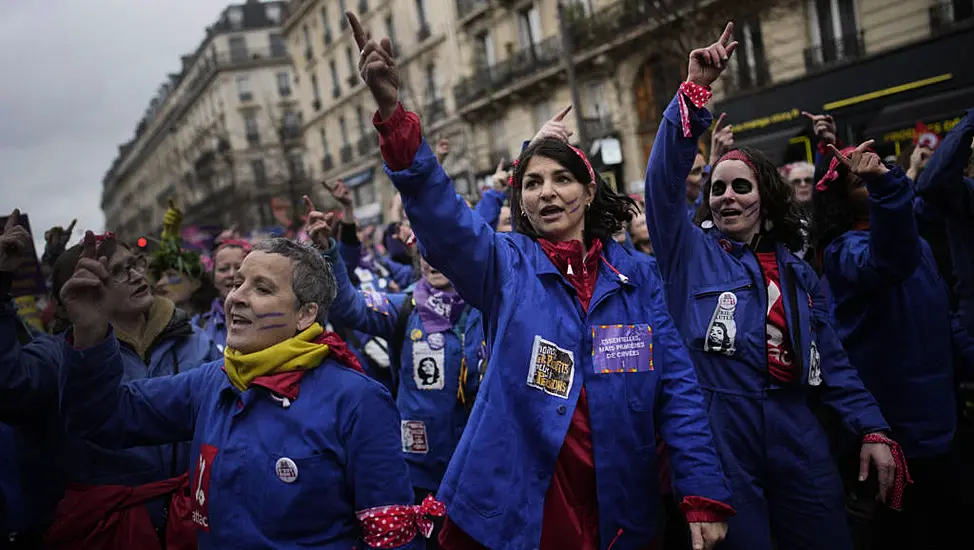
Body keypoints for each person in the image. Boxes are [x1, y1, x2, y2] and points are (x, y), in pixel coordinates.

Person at [348, 10, 732, 550]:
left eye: (561, 179)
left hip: (621, 506)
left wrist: (701, 492)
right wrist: (393, 114)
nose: (546, 192)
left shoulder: (639, 276)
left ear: (589, 191)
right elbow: (443, 218)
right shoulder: (506, 264)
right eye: (532, 183)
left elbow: (678, 392)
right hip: (522, 510)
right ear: (520, 201)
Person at [643, 23, 901, 550]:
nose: (728, 198)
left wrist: (871, 428)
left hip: (796, 427)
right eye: (717, 189)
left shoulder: (799, 272)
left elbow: (833, 360)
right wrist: (694, 92)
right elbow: (663, 187)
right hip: (720, 436)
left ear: (766, 199)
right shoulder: (687, 251)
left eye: (742, 186)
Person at [58, 233, 432, 549]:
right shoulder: (211, 381)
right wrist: (90, 331)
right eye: (237, 283)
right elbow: (104, 417)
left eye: (262, 288)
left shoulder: (358, 401)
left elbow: (391, 537)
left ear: (306, 314)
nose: (236, 297)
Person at [0, 212, 219, 549]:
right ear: (80, 291)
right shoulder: (59, 355)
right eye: (116, 271)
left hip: (195, 522)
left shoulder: (196, 340)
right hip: (102, 532)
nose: (134, 275)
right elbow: (10, 388)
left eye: (135, 263)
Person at [813, 140, 971, 549]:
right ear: (842, 199)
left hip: (943, 422)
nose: (874, 176)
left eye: (879, 169)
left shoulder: (914, 241)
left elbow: (940, 313)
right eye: (860, 179)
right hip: (896, 432)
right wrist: (887, 188)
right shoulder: (843, 252)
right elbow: (889, 261)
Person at [195, 236, 252, 352]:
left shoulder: (268, 318)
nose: (232, 274)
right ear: (213, 277)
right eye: (223, 269)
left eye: (239, 267)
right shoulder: (198, 326)